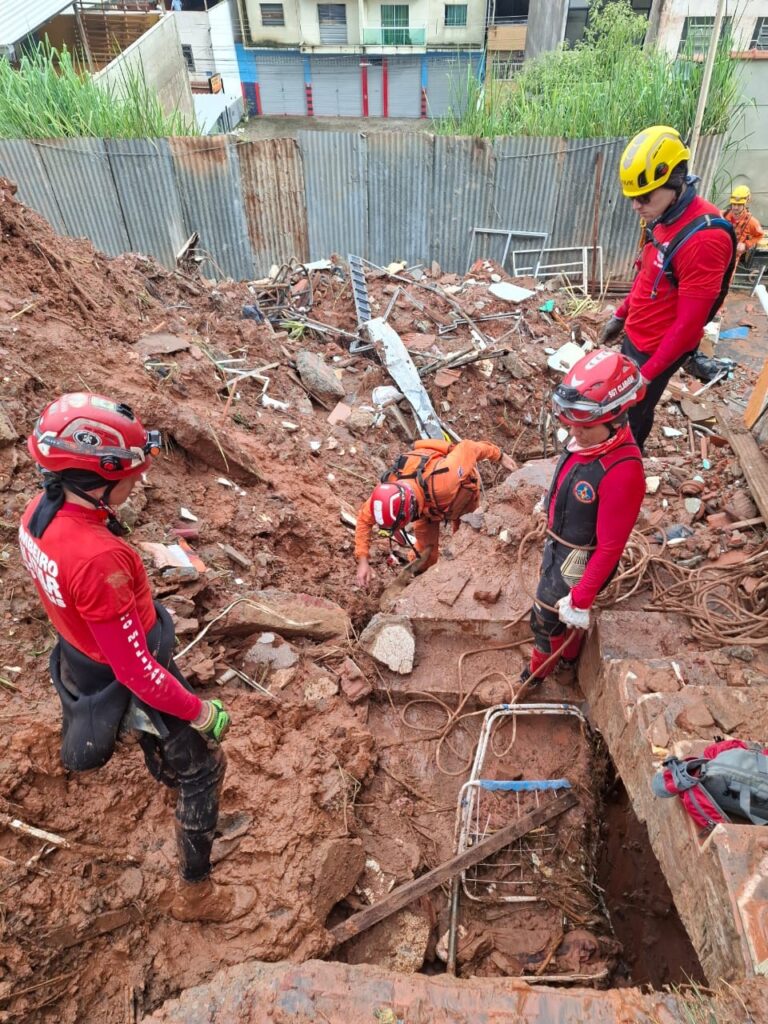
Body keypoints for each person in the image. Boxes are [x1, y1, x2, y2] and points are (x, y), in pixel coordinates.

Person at [18, 394, 256, 923]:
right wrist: (200, 711)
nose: (138, 483)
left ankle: (167, 765)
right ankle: (197, 893)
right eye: (131, 475)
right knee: (204, 769)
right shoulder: (98, 559)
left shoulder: (38, 513)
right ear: (97, 479)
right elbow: (138, 672)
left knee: (168, 745)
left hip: (81, 653)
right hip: (125, 671)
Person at [600, 125, 736, 452]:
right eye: (632, 197)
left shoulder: (704, 240)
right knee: (618, 409)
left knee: (632, 417)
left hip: (657, 348)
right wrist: (621, 314)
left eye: (644, 197)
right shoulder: (664, 215)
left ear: (675, 181)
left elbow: (689, 328)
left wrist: (647, 376)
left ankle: (625, 463)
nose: (636, 206)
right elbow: (648, 275)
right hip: (637, 335)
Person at [520, 350, 646, 687]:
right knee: (556, 614)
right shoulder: (589, 441)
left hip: (579, 559)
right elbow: (566, 473)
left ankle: (536, 676)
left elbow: (610, 548)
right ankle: (568, 659)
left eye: (585, 426)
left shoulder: (623, 473)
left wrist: (581, 598)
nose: (574, 432)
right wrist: (548, 503)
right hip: (560, 544)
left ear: (615, 419)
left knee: (546, 618)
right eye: (572, 424)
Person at [355, 438, 516, 586]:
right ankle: (422, 579)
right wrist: (363, 560)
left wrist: (500, 456)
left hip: (460, 492)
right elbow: (363, 521)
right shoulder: (384, 497)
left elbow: (470, 448)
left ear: (410, 511)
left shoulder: (445, 479)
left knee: (464, 542)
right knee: (426, 553)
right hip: (426, 506)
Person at [723, 185, 764, 266]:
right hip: (718, 253)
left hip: (732, 259)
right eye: (734, 204)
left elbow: (760, 235)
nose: (735, 207)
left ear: (745, 204)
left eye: (739, 204)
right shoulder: (723, 215)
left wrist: (746, 245)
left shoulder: (751, 222)